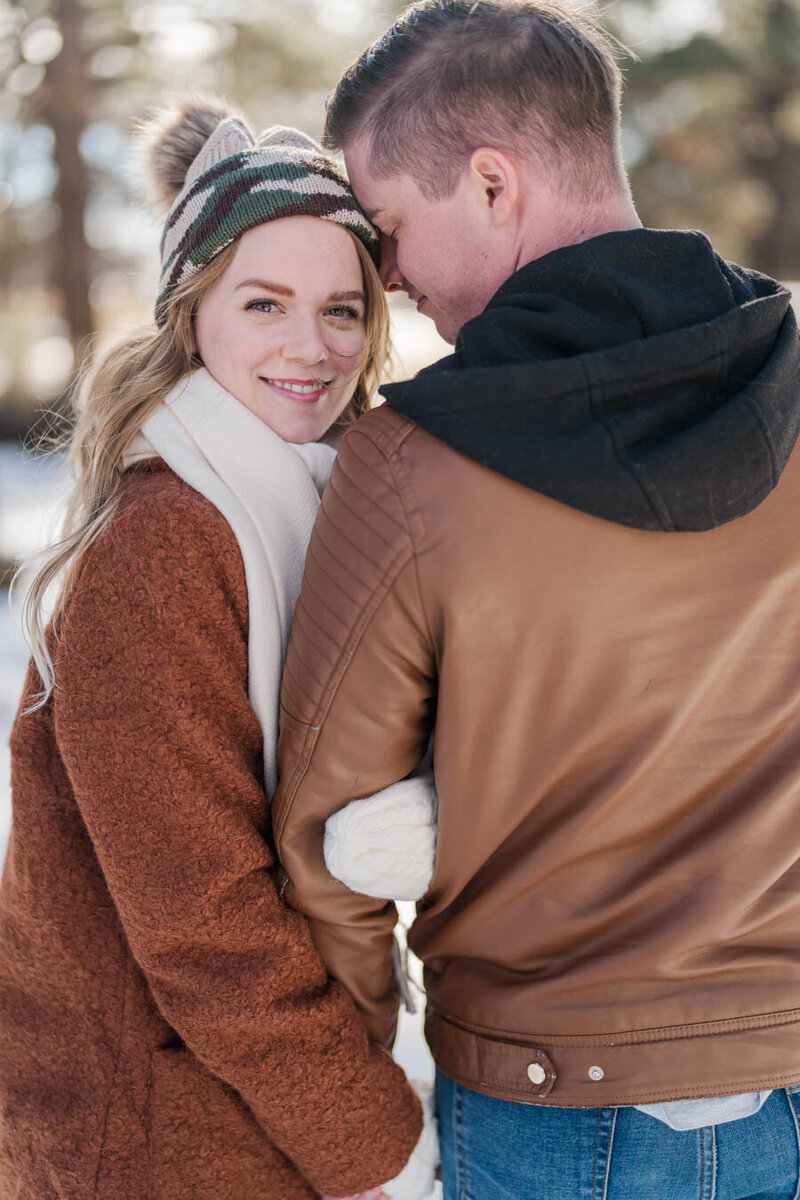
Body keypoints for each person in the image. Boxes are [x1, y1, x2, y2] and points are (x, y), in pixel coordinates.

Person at [272, 2, 800, 1197]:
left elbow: (327, 846)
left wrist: (369, 1095)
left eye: (391, 226)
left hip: (553, 1109)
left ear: (494, 183)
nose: (388, 274)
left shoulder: (411, 465)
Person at [0, 97, 438, 1200]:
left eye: (343, 309)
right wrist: (379, 1146)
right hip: (152, 1135)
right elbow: (204, 927)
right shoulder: (160, 549)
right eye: (263, 303)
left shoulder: (327, 512)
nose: (311, 346)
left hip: (250, 1111)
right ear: (192, 315)